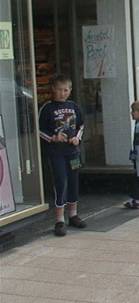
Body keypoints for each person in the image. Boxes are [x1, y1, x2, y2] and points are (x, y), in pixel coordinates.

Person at [39, 75, 86, 237]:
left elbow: (80, 125)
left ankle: (73, 214)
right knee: (60, 181)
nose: (62, 93)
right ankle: (60, 219)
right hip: (56, 153)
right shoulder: (47, 108)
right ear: (53, 89)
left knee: (73, 181)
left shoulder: (73, 106)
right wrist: (53, 137)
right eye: (59, 90)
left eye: (65, 90)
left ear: (70, 90)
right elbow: (39, 129)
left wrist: (77, 138)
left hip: (72, 152)